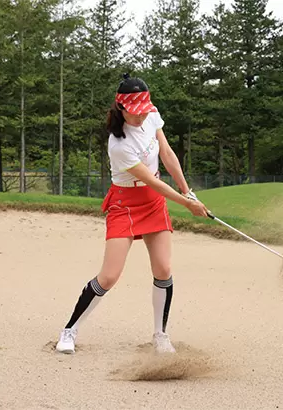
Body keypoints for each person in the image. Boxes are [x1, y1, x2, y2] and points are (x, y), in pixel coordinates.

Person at [56, 73, 209, 355]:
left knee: (163, 269)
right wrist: (186, 205)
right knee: (109, 276)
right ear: (121, 108)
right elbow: (151, 180)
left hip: (153, 202)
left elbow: (167, 154)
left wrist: (188, 192)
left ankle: (160, 335)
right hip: (125, 203)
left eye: (143, 111)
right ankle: (70, 330)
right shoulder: (118, 144)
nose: (140, 117)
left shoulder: (152, 116)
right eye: (134, 112)